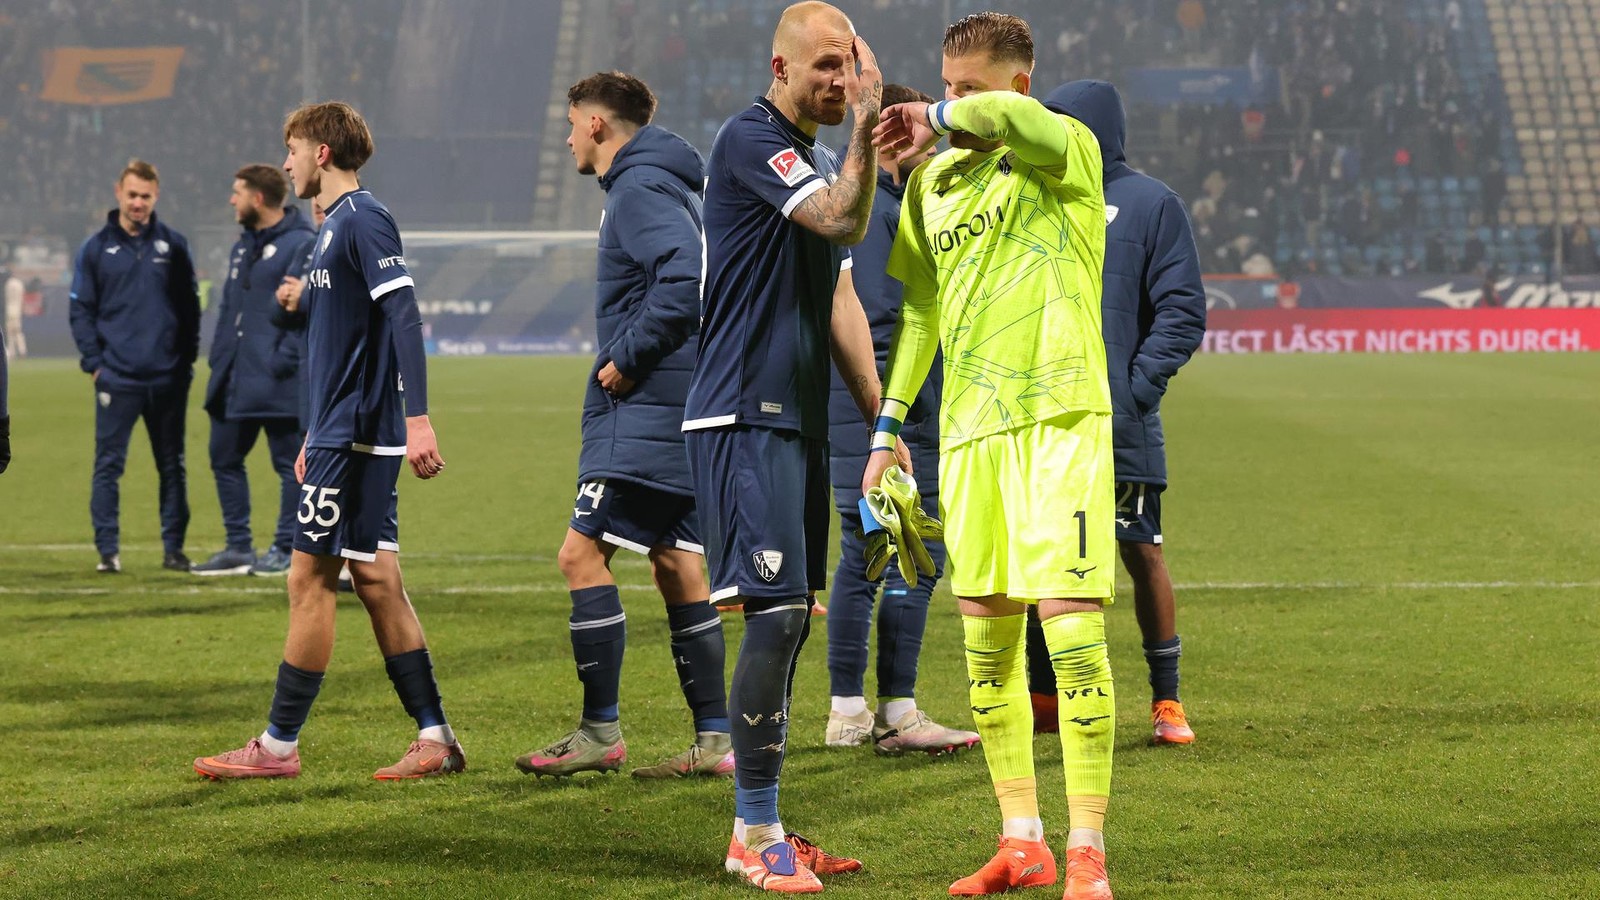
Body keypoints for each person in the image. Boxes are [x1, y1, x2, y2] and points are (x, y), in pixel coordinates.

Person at [864, 13, 1116, 898]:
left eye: (968, 90)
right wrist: (887, 430)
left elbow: (1015, 125)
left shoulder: (1063, 151)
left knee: (1072, 636)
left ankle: (1087, 852)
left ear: (1016, 85)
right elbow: (921, 314)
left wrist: (935, 116)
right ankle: (1022, 840)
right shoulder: (931, 187)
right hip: (971, 434)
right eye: (946, 86)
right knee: (986, 644)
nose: (952, 104)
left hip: (1059, 418)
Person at [686, 2, 904, 891]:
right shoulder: (752, 140)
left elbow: (843, 300)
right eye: (823, 65)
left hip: (796, 421)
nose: (840, 80)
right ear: (779, 68)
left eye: (848, 65)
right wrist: (869, 120)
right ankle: (756, 834)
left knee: (790, 618)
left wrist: (883, 424)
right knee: (775, 617)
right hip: (743, 414)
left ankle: (762, 822)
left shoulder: (812, 162)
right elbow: (844, 218)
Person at [194, 101, 464, 781]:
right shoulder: (333, 225)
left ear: (321, 151)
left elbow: (403, 315)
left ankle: (277, 746)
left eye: (291, 149)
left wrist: (418, 417)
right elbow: (339, 342)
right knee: (376, 579)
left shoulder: (364, 218)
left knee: (308, 579)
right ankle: (436, 737)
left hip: (359, 436)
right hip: (340, 433)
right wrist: (316, 429)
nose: (285, 162)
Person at [514, 72, 734, 781]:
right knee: (677, 562)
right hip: (683, 406)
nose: (568, 138)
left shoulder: (637, 189)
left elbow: (686, 279)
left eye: (571, 124)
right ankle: (715, 740)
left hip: (646, 411)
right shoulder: (673, 185)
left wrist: (628, 357)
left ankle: (600, 732)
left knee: (579, 556)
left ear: (597, 124)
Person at [1020, 80, 1207, 747]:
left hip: (1120, 422)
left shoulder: (1153, 203)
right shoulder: (1036, 198)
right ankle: (1044, 699)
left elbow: (1183, 310)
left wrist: (1132, 391)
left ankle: (1167, 701)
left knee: (1141, 551)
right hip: (1043, 420)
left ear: (1089, 129)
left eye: (1061, 124)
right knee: (1041, 559)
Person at [823, 82, 978, 758]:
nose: (933, 148)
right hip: (892, 413)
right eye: (920, 135)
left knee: (863, 555)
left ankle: (848, 712)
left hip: (855, 408)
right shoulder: (885, 213)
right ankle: (896, 711)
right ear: (889, 134)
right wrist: (891, 420)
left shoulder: (855, 205)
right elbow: (884, 322)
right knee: (915, 555)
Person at [69, 159, 200, 575]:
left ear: (156, 196)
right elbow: (81, 310)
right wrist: (95, 365)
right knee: (108, 466)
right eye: (132, 195)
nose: (138, 203)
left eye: (145, 196)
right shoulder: (95, 248)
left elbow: (190, 308)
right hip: (117, 378)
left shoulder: (174, 246)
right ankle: (108, 552)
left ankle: (174, 550)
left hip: (167, 378)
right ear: (118, 193)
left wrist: (185, 362)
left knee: (172, 465)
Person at [191, 165, 317, 577]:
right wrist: (220, 358)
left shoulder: (302, 244)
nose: (232, 200)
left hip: (277, 379)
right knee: (223, 457)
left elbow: (305, 313)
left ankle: (285, 547)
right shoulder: (242, 247)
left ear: (258, 198)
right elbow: (231, 310)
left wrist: (283, 360)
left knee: (289, 465)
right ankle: (238, 546)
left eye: (238, 192)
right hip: (234, 377)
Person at [3, 263, 23, 360]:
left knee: (10, 333)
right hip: (17, 309)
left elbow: (6, 297)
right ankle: (22, 350)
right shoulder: (19, 283)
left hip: (9, 309)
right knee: (18, 331)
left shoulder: (8, 284)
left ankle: (12, 352)